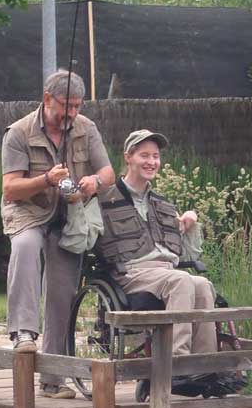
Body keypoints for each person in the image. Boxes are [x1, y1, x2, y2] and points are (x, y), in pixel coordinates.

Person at [1, 70, 114, 399]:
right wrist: (46, 180)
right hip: (28, 211)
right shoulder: (19, 133)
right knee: (24, 246)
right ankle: (23, 332)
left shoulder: (86, 128)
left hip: (69, 217)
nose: (72, 113)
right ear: (47, 99)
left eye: (78, 106)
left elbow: (108, 171)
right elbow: (10, 189)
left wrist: (95, 181)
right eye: (66, 105)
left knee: (62, 291)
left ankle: (53, 379)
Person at [93, 129, 216, 359]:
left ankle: (206, 364)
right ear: (128, 157)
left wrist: (190, 225)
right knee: (181, 280)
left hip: (166, 272)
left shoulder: (163, 204)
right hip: (130, 274)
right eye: (144, 155)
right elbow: (85, 237)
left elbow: (186, 253)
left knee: (202, 284)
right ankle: (176, 361)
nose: (152, 162)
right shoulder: (104, 200)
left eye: (156, 156)